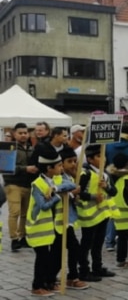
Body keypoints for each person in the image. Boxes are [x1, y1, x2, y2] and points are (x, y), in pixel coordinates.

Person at [26, 148, 76, 296]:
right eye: (59, 166)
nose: (62, 168)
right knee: (42, 258)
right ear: (49, 168)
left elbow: (72, 186)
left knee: (56, 255)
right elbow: (43, 205)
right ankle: (37, 286)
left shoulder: (57, 180)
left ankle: (49, 281)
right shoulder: (37, 184)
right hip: (39, 227)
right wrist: (58, 197)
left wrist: (55, 189)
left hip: (56, 226)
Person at [77, 144, 117, 282]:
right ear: (90, 159)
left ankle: (97, 267)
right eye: (99, 156)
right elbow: (78, 193)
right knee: (87, 243)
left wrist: (106, 187)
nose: (103, 159)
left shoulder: (105, 174)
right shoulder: (85, 174)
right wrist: (93, 196)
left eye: (103, 156)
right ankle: (83, 270)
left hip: (102, 213)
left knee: (98, 243)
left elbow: (114, 192)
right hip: (89, 215)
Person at [57, 147, 90, 290]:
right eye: (69, 161)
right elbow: (58, 194)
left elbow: (74, 200)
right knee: (61, 251)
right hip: (58, 221)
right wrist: (72, 193)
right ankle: (56, 278)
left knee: (72, 248)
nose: (73, 164)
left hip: (68, 220)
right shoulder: (59, 179)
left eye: (75, 161)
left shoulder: (71, 177)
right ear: (61, 164)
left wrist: (76, 196)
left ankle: (72, 277)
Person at [104, 123, 128, 251]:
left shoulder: (108, 145)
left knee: (113, 210)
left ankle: (109, 241)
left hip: (111, 178)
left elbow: (105, 161)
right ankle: (127, 234)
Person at [7, 123, 36, 252]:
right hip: (13, 184)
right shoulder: (9, 148)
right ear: (14, 134)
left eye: (25, 133)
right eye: (20, 133)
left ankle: (23, 237)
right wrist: (25, 169)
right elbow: (5, 168)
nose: (23, 135)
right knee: (15, 212)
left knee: (25, 213)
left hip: (28, 185)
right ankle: (14, 239)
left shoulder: (32, 148)